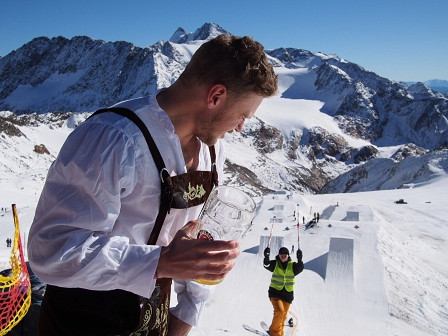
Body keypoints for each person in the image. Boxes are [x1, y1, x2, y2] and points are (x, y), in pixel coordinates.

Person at [27, 34, 278, 336]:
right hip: (82, 320)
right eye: (243, 115)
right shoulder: (112, 139)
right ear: (216, 96)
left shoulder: (212, 149)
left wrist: (185, 315)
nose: (240, 127)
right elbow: (52, 250)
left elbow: (198, 241)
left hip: (153, 323)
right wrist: (159, 263)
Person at [263, 246, 304, 336]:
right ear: (279, 255)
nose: (283, 256)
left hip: (287, 295)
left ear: (288, 255)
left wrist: (300, 259)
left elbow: (300, 268)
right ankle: (274, 331)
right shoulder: (275, 263)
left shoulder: (292, 265)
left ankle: (280, 332)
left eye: (285, 254)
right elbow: (267, 265)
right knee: (280, 311)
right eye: (281, 254)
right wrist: (266, 257)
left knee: (283, 316)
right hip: (275, 293)